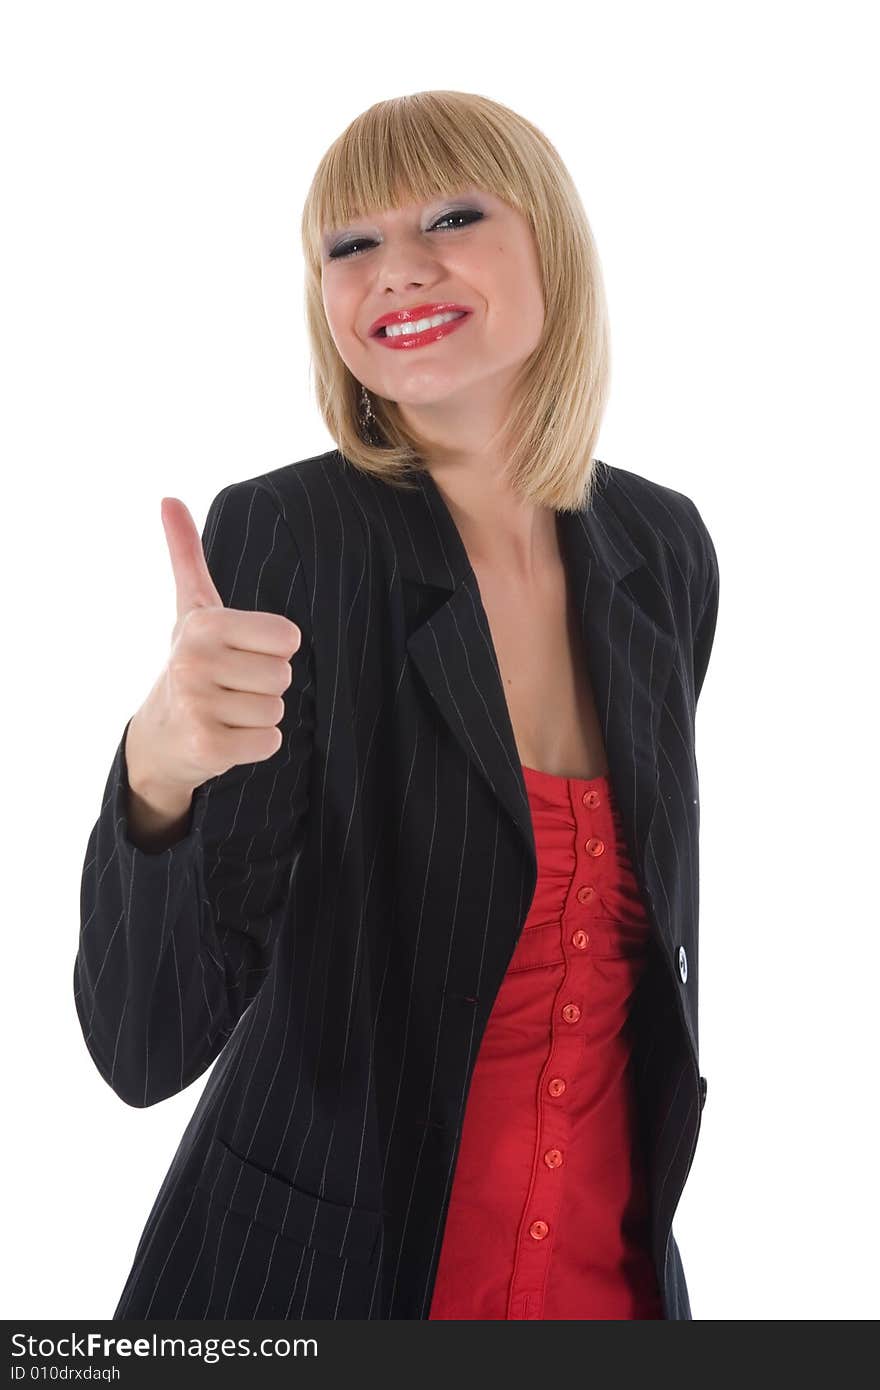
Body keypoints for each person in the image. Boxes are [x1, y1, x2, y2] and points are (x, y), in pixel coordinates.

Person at [73, 89, 719, 1320]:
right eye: (348, 244)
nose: (396, 269)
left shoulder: (663, 548)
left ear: (555, 246)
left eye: (452, 215)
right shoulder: (289, 537)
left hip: (606, 1281)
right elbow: (144, 1044)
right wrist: (159, 773)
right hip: (326, 1283)